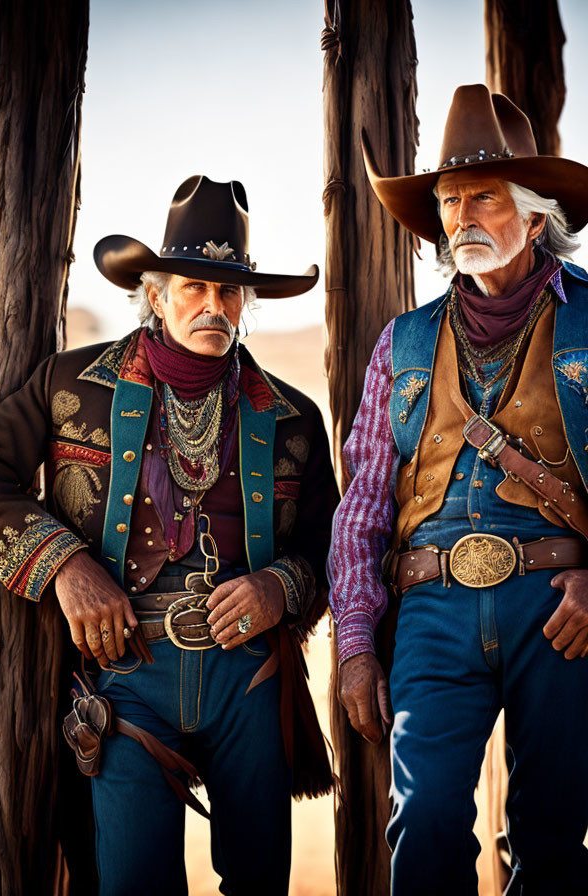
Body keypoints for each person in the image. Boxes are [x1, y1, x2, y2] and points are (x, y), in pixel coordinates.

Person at [0, 174, 338, 896]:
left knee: (260, 883)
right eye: (193, 287)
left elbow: (330, 545)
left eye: (230, 291)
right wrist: (65, 566)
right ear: (154, 293)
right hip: (123, 675)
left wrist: (281, 587)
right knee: (131, 884)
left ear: (246, 302)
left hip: (249, 676)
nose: (213, 306)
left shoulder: (293, 418)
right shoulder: (70, 386)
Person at [327, 84, 588, 895]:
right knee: (428, 818)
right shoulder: (400, 343)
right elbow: (363, 504)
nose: (461, 215)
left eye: (483, 196)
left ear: (535, 213)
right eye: (448, 200)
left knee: (551, 836)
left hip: (561, 609)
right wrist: (357, 643)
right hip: (432, 611)